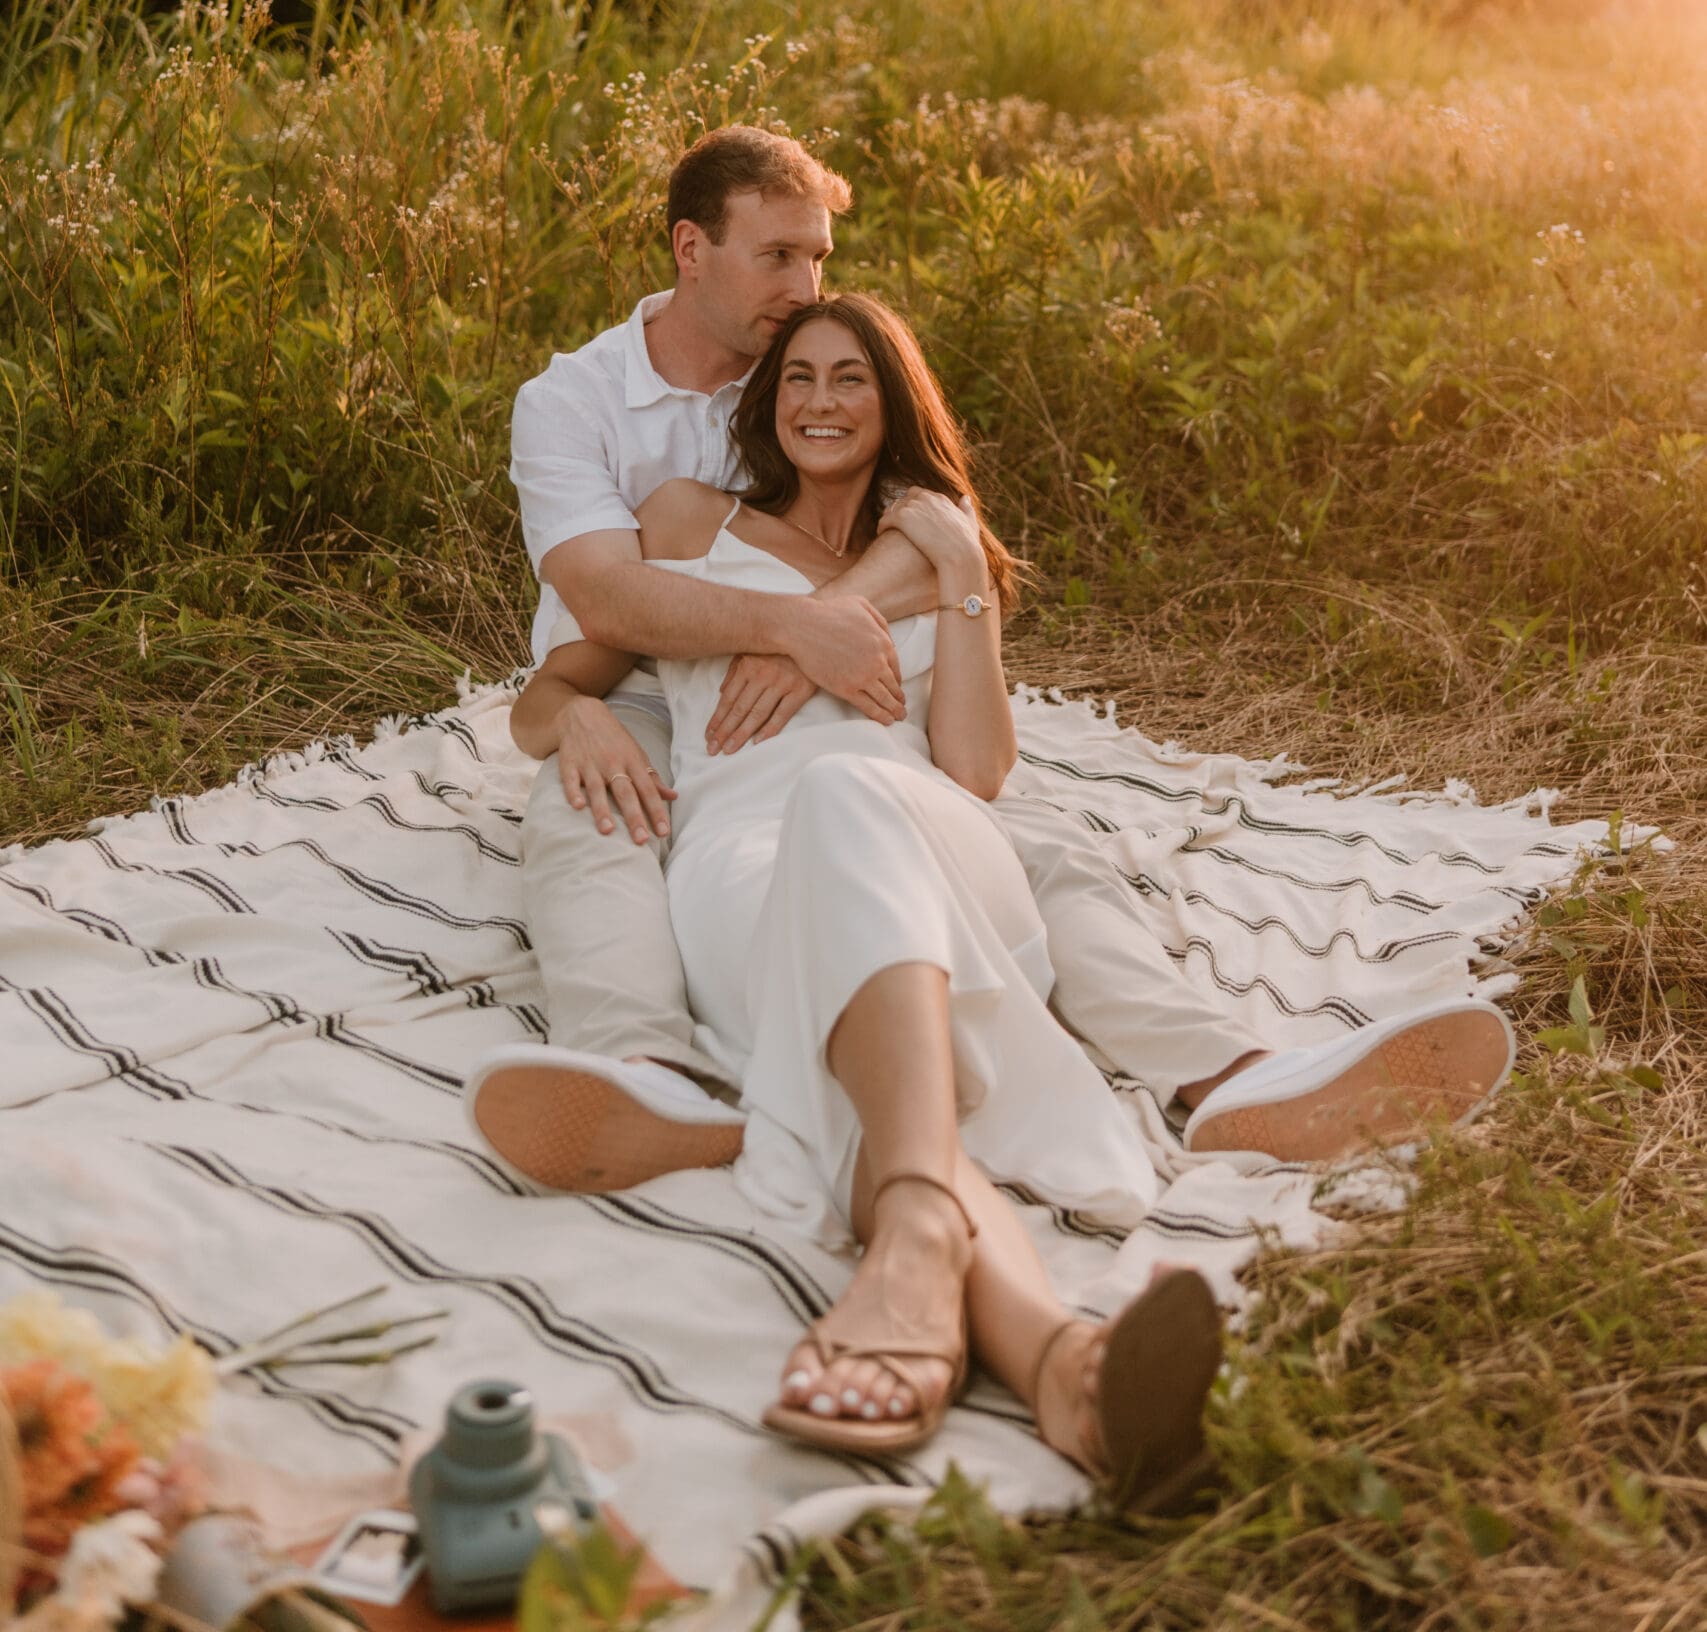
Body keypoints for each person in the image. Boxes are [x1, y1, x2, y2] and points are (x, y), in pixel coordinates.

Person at [479, 294, 1509, 1495]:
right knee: (865, 1072)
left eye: (850, 379)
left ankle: (946, 1222)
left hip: (922, 836)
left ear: (893, 402)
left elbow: (973, 770)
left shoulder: (934, 548)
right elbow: (546, 693)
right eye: (799, 377)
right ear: (766, 404)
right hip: (742, 859)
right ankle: (1065, 1368)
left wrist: (966, 569)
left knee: (856, 796)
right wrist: (587, 716)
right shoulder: (692, 521)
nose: (819, 400)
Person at [467, 126, 1513, 1199]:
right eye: (780, 256)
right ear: (692, 250)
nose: (809, 283)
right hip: (650, 691)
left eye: (819, 257)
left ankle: (1230, 1076)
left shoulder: (817, 379)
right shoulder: (579, 405)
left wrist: (828, 618)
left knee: (1042, 848)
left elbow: (953, 555)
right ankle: (645, 1071)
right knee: (595, 814)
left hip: (868, 730)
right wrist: (777, 634)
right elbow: (608, 598)